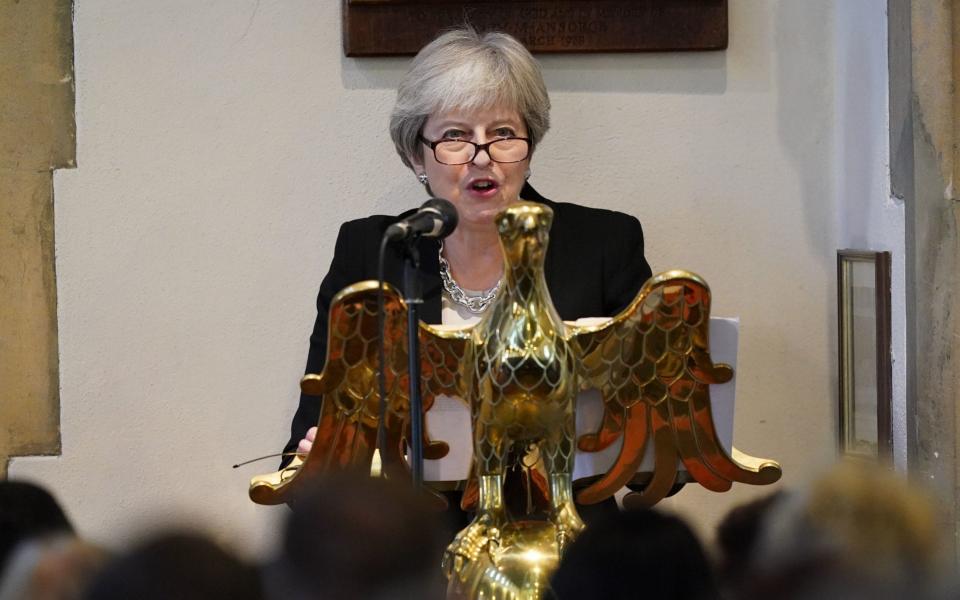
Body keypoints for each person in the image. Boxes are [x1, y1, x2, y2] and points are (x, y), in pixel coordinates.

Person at [283, 27, 652, 526]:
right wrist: (335, 466)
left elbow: (657, 462)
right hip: (420, 549)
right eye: (455, 135)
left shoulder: (602, 245)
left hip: (569, 549)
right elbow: (302, 456)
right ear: (417, 154)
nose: (482, 156)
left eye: (502, 133)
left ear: (529, 144)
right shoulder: (372, 252)